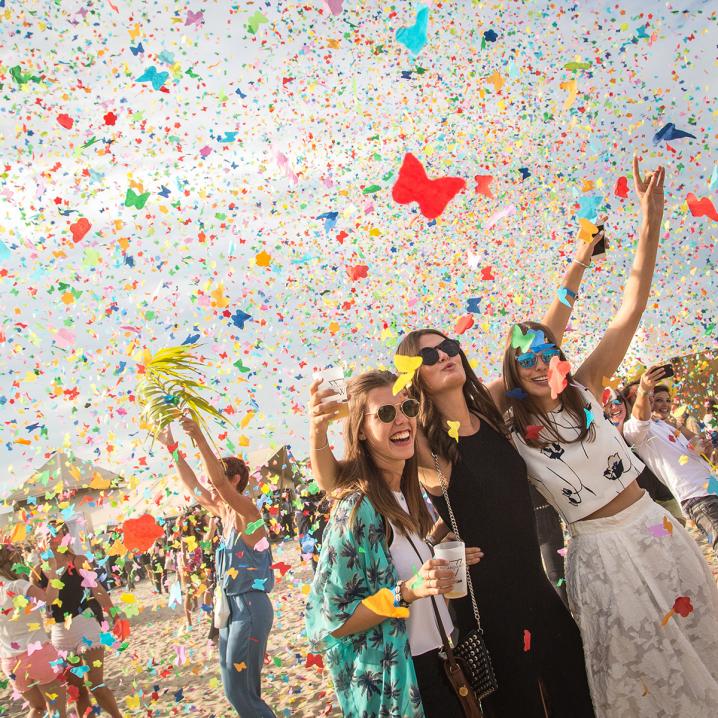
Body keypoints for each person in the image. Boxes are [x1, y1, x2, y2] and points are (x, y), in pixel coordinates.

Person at [310, 219, 604, 717]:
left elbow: (542, 336)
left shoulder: (489, 406)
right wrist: (322, 428)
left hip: (536, 585)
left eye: (450, 347)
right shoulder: (424, 441)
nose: (445, 354)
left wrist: (578, 262)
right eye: (429, 354)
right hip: (484, 606)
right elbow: (337, 479)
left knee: (574, 695)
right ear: (413, 373)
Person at [503, 162, 718, 716]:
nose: (537, 362)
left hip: (655, 527)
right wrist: (575, 266)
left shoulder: (588, 385)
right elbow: (545, 327)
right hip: (598, 552)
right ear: (510, 371)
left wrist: (650, 223)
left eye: (546, 352)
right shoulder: (508, 423)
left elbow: (632, 304)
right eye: (523, 357)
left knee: (698, 643)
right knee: (637, 670)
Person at [306, 370, 483, 718]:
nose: (401, 419)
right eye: (385, 413)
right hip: (407, 682)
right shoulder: (358, 508)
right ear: (361, 429)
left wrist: (435, 561)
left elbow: (397, 568)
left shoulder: (405, 497)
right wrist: (408, 591)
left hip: (444, 665)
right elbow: (329, 620)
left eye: (408, 407)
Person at [157, 419, 276, 718]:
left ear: (235, 479)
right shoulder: (221, 514)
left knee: (239, 691)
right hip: (231, 609)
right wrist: (172, 447)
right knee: (238, 687)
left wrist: (197, 435)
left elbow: (218, 485)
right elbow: (194, 486)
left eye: (219, 475)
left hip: (249, 604)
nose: (211, 480)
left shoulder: (249, 511)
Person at [34, 521, 123, 718]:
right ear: (41, 540)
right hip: (59, 633)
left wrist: (115, 615)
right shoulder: (38, 571)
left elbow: (97, 591)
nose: (51, 537)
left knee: (95, 685)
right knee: (78, 692)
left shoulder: (78, 560)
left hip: (85, 625)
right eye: (47, 534)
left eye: (56, 533)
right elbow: (40, 608)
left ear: (65, 536)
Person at [624, 375, 718, 558]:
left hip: (712, 488)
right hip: (696, 497)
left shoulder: (666, 426)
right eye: (654, 399)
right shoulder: (634, 429)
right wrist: (643, 389)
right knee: (671, 533)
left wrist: (705, 451)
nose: (661, 404)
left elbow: (699, 459)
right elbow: (640, 418)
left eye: (665, 400)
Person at [601, 382, 685, 524]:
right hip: (642, 510)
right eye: (608, 404)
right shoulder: (603, 442)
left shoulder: (638, 428)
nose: (615, 406)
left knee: (676, 531)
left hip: (666, 498)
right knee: (659, 539)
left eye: (618, 401)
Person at [0, 543, 67, 718]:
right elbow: (50, 598)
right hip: (38, 655)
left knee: (37, 708)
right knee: (57, 712)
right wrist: (52, 569)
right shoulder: (16, 585)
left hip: (11, 663)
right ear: (13, 562)